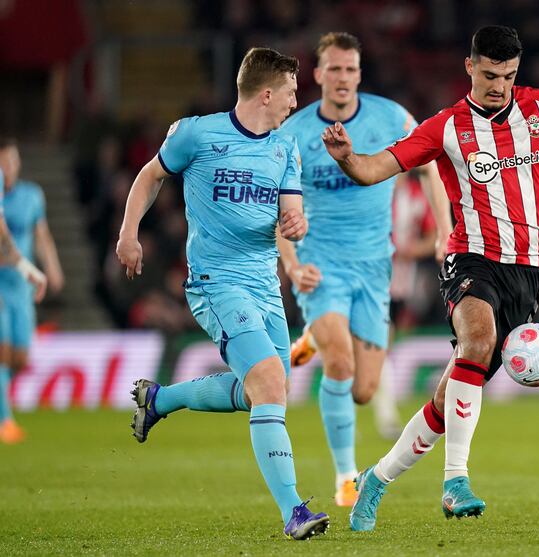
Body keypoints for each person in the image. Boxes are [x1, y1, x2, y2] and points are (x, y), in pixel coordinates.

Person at [320, 25, 539, 531]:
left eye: (507, 76)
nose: (498, 85)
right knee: (479, 338)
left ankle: (376, 480)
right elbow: (379, 168)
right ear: (470, 67)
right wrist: (348, 158)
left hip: (526, 271)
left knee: (447, 401)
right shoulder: (444, 127)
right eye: (489, 74)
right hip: (471, 258)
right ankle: (455, 483)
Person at [116, 47, 329, 540]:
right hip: (217, 282)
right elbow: (151, 176)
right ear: (268, 92)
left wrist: (296, 224)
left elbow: (291, 215)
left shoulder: (285, 148)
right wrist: (129, 233)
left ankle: (160, 400)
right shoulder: (197, 133)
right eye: (292, 93)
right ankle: (293, 511)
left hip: (265, 285)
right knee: (271, 384)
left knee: (267, 392)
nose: (295, 103)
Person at [277, 32, 452, 506]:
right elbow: (280, 209)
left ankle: (311, 340)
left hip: (376, 267)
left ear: (359, 73)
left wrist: (443, 230)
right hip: (320, 265)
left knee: (364, 389)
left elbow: (430, 165)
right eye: (333, 68)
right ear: (317, 74)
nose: (342, 77)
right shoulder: (292, 133)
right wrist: (292, 266)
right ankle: (346, 477)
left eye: (350, 69)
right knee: (340, 362)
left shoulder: (390, 117)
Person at [0, 138, 49, 445]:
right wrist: (27, 267)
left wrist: (48, 268)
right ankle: (5, 422)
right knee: (2, 355)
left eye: (12, 162)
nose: (8, 168)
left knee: (18, 358)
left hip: (20, 289)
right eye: (3, 163)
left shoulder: (31, 195)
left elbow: (40, 233)